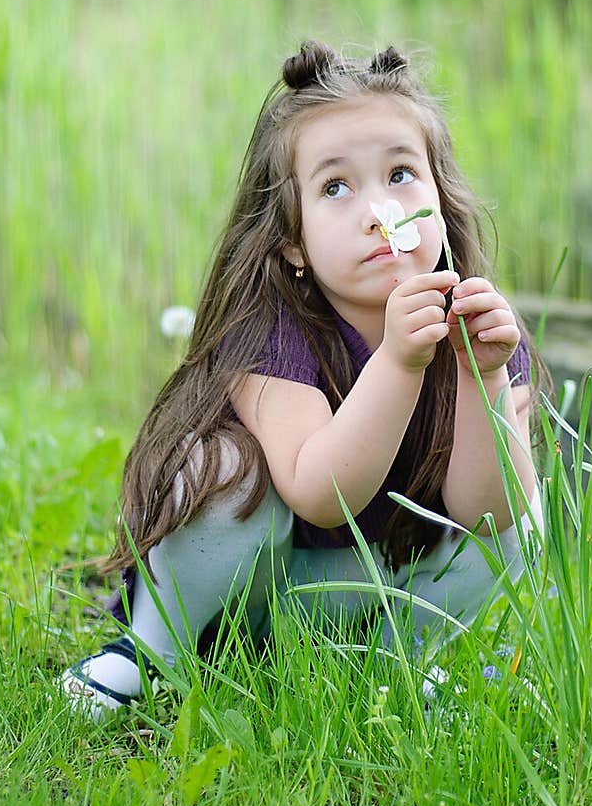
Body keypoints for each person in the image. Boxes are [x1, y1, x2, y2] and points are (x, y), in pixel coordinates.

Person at [60, 40, 547, 719]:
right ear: (292, 240)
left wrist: (482, 378)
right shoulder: (269, 332)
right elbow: (323, 494)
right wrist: (400, 362)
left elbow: (489, 517)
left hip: (363, 591)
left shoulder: (480, 325)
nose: (378, 210)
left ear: (440, 195)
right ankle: (153, 649)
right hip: (251, 586)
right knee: (224, 469)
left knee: (527, 509)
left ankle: (392, 664)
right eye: (336, 186)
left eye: (402, 174)